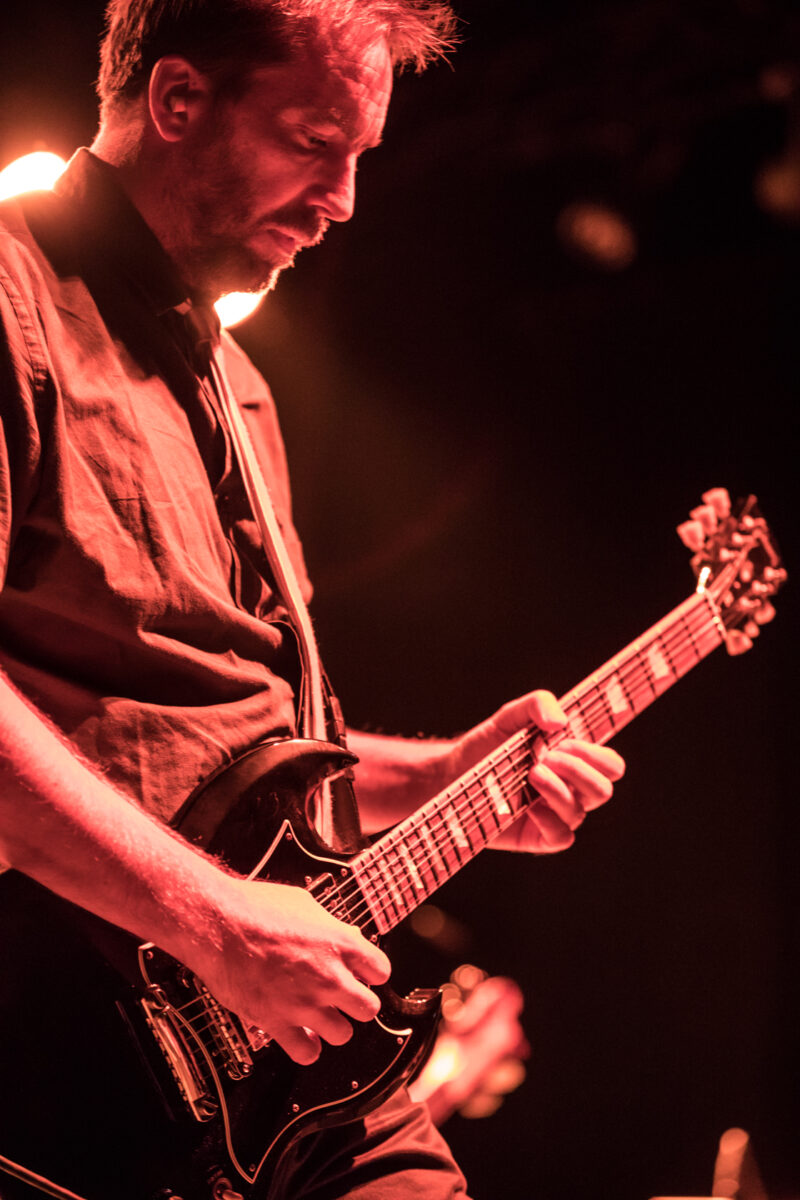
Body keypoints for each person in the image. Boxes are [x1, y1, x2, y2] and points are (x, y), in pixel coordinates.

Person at [0, 2, 625, 1197]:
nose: (342, 200)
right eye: (313, 142)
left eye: (359, 155)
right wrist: (212, 921)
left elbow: (226, 752)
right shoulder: (10, 299)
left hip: (284, 1068)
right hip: (73, 1060)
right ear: (178, 100)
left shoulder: (238, 384)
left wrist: (442, 776)